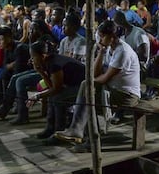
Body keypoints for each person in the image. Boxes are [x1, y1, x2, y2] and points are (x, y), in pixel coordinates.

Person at [53, 21, 141, 151]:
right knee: (88, 89)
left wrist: (91, 82)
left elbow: (104, 78)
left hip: (127, 95)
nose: (99, 39)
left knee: (89, 90)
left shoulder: (123, 51)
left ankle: (86, 138)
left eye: (102, 36)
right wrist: (101, 52)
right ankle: (79, 132)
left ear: (112, 36)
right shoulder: (110, 49)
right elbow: (95, 73)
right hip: (112, 89)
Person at [26, 40, 85, 143]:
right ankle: (50, 128)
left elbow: (57, 89)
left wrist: (37, 96)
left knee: (58, 98)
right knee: (53, 96)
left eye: (33, 56)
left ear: (43, 56)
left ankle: (59, 132)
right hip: (74, 86)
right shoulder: (48, 62)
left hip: (84, 88)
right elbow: (52, 86)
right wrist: (40, 71)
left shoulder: (54, 64)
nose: (31, 59)